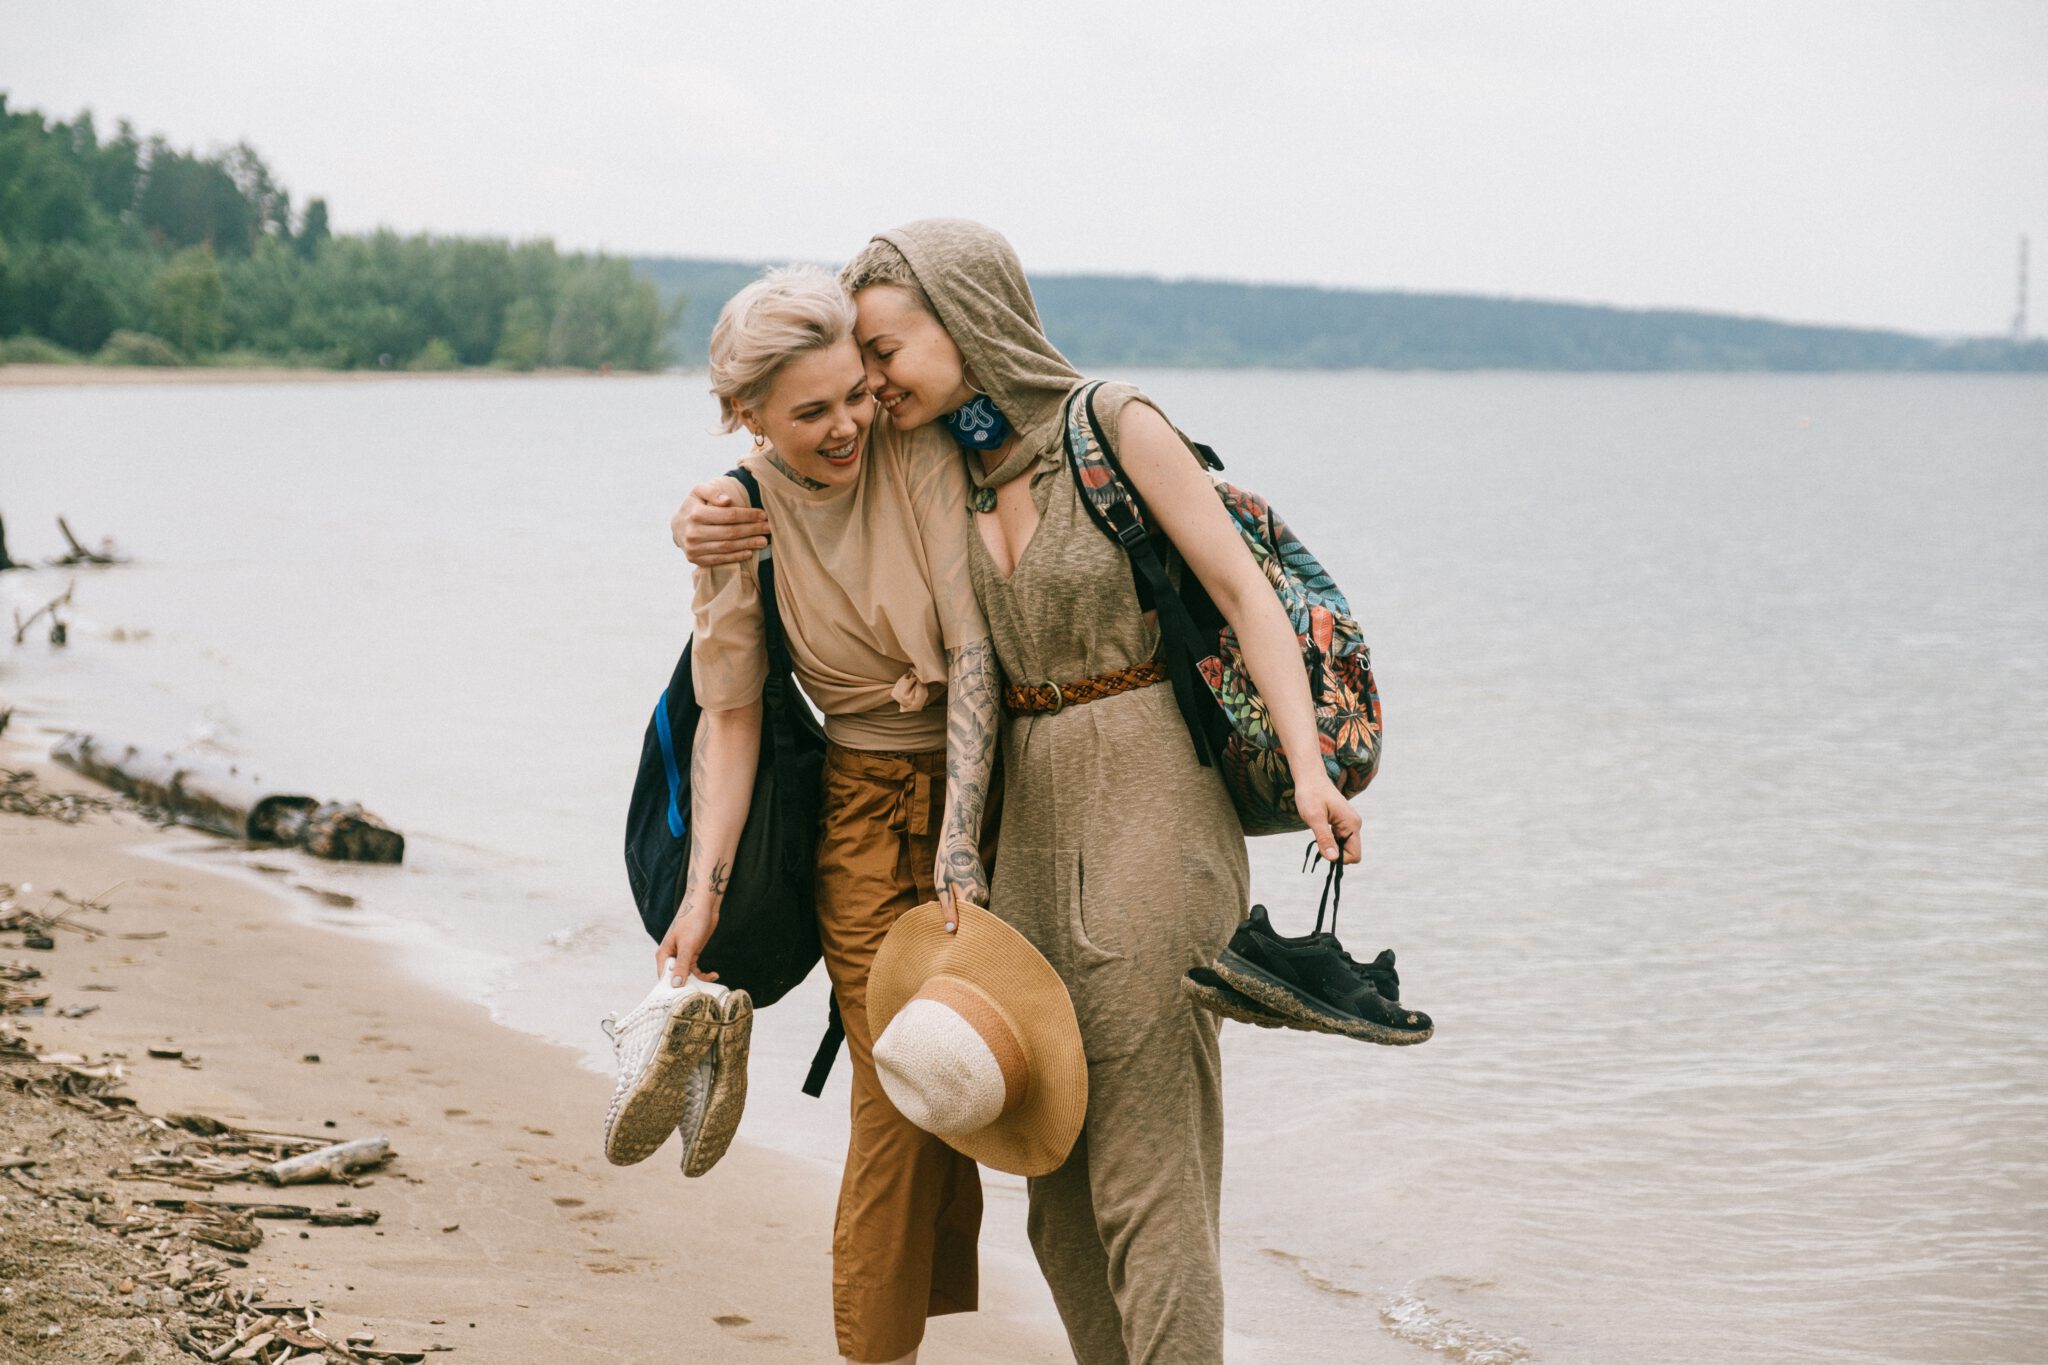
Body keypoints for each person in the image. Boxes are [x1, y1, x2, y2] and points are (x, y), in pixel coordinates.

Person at [678, 221, 1362, 1365]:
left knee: (1149, 1168)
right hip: (1019, 820)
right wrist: (700, 518)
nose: (871, 388)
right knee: (1053, 1178)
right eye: (855, 370)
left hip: (1148, 793)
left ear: (966, 320)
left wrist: (1308, 770)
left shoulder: (1110, 424)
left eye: (882, 356)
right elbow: (792, 567)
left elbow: (1243, 595)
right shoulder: (949, 456)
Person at [660, 265, 1000, 1365]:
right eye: (810, 411)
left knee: (1009, 1081)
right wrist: (698, 896)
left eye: (854, 391)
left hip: (996, 794)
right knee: (898, 1087)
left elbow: (974, 651)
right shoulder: (735, 516)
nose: (849, 422)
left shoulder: (918, 447)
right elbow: (731, 712)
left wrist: (964, 850)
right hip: (859, 815)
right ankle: (878, 1351)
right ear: (742, 415)